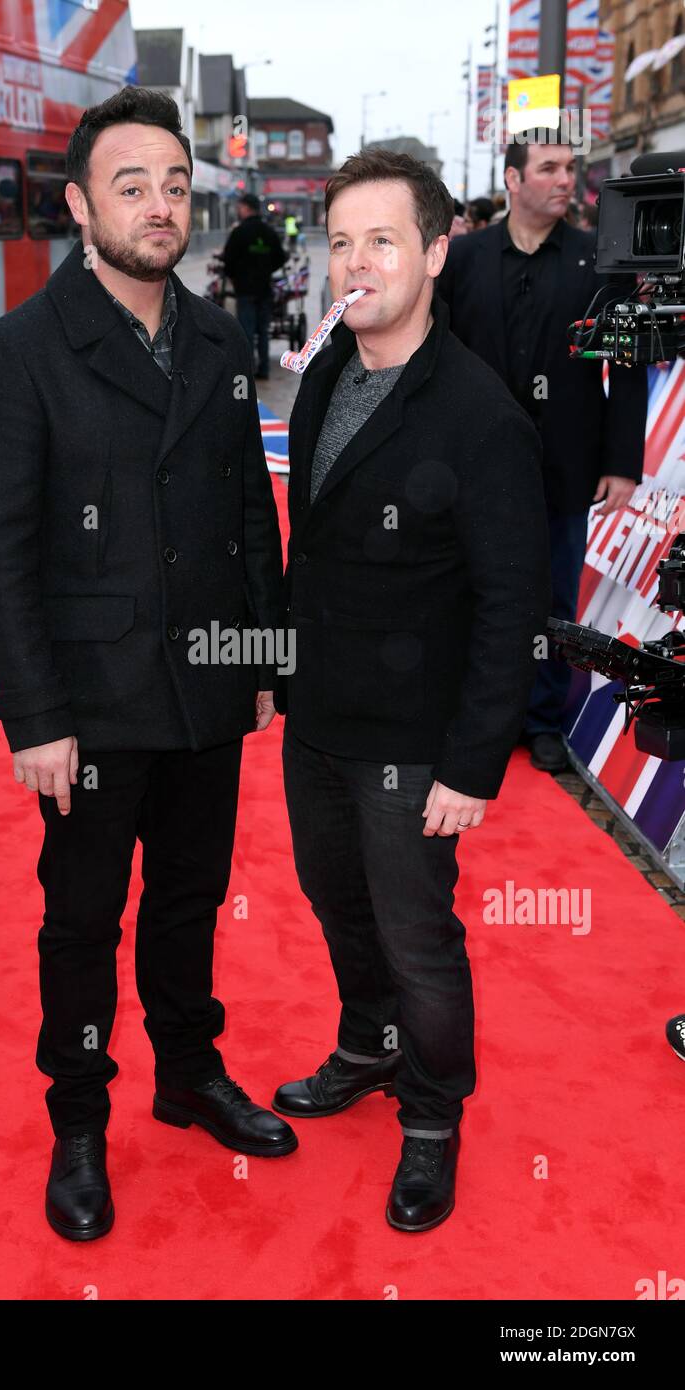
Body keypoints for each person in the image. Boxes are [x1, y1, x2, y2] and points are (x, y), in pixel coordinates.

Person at [0, 85, 295, 1245]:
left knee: (193, 899)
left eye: (172, 185)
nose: (159, 206)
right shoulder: (19, 354)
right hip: (90, 706)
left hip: (207, 682)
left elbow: (248, 505)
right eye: (131, 184)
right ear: (78, 204)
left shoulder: (214, 334)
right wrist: (32, 715)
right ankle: (81, 1118)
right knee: (84, 918)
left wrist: (265, 655)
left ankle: (189, 1073)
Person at [271, 148, 551, 1232]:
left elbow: (508, 603)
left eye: (380, 239)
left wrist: (473, 762)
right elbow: (315, 548)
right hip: (320, 721)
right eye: (339, 240)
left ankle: (432, 1117)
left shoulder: (479, 417)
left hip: (415, 745)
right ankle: (367, 1044)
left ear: (435, 252)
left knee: (418, 936)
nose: (355, 261)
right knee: (335, 904)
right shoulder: (329, 370)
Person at [437, 131, 647, 773]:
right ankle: (474, 718)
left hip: (566, 461)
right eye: (550, 168)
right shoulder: (462, 257)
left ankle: (544, 720)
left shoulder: (596, 260)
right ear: (512, 180)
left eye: (570, 169)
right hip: (471, 463)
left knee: (555, 594)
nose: (566, 180)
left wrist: (620, 462)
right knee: (468, 591)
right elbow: (433, 354)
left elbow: (627, 364)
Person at [221, 191, 286, 380]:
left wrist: (235, 276)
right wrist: (266, 269)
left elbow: (228, 260)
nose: (238, 211)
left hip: (245, 290)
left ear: (246, 208)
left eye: (240, 207)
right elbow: (281, 258)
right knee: (263, 332)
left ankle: (247, 370)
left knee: (246, 332)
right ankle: (264, 369)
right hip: (264, 289)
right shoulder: (269, 232)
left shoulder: (239, 232)